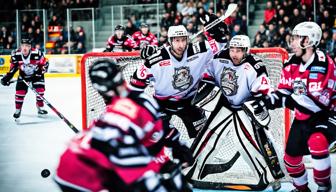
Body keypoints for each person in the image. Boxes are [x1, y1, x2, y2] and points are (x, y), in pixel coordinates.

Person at [54, 59, 192, 192]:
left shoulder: (138, 103)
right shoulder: (131, 108)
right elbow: (126, 157)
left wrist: (175, 148)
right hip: (79, 173)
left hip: (79, 162)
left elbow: (156, 130)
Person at [252, 21, 336, 192]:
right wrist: (265, 100)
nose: (292, 42)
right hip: (302, 117)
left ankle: (324, 186)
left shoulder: (323, 64)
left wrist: (281, 100)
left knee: (317, 141)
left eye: (298, 38)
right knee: (290, 159)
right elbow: (284, 92)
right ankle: (301, 188)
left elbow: (316, 103)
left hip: (325, 115)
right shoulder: (291, 63)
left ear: (309, 41)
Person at [130, 16, 228, 139]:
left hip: (189, 101)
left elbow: (220, 43)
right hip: (162, 104)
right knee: (160, 137)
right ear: (170, 41)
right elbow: (136, 81)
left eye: (183, 40)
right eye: (177, 41)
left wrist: (216, 30)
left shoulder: (198, 50)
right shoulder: (156, 59)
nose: (181, 45)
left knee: (202, 137)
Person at [1, 37, 49, 119]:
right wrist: (7, 78)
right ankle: (18, 110)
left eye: (27, 45)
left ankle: (40, 107)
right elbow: (13, 68)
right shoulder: (16, 54)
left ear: (30, 47)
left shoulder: (37, 53)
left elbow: (45, 64)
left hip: (36, 75)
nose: (25, 47)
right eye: (23, 45)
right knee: (20, 93)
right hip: (23, 76)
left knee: (40, 92)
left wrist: (40, 72)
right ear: (21, 46)